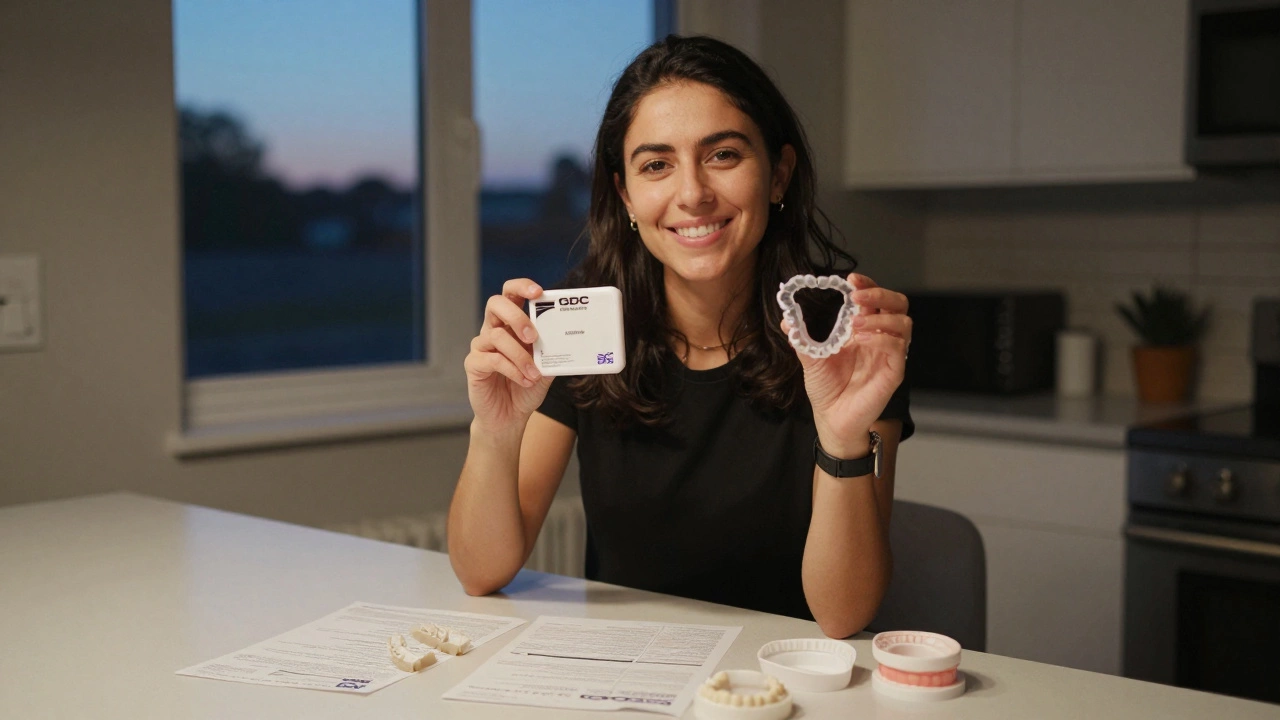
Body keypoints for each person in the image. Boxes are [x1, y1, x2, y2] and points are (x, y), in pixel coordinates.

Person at [448, 35, 913, 639]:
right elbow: (480, 573)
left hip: (778, 684)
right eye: (656, 165)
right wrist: (494, 430)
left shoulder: (841, 338)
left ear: (779, 175)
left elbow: (844, 613)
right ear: (627, 197)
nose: (692, 193)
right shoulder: (584, 334)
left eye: (722, 155)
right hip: (625, 678)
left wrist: (843, 437)